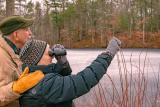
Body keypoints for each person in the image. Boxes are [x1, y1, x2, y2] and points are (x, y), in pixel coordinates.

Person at [19, 37, 121, 107]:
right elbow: (83, 81)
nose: (52, 56)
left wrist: (62, 63)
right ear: (38, 59)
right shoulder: (45, 85)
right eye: (49, 54)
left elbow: (62, 84)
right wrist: (107, 55)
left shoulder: (30, 78)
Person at [0, 16, 45, 107]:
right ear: (16, 35)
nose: (30, 33)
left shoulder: (11, 52)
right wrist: (17, 87)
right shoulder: (1, 56)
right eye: (26, 30)